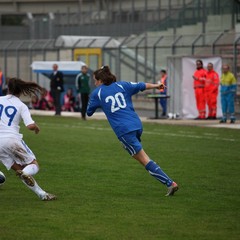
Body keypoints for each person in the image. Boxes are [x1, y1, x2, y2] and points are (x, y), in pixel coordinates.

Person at [87, 66, 178, 196]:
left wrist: (97, 103)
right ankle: (163, 176)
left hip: (123, 130)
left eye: (95, 81)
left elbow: (89, 112)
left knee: (143, 159)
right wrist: (157, 86)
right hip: (136, 125)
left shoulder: (97, 93)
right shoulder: (123, 85)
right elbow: (142, 85)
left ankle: (170, 184)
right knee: (137, 154)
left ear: (101, 80)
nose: (95, 83)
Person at [0, 78, 56, 201]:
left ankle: (42, 194)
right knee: (33, 165)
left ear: (7, 88)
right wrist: (36, 127)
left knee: (19, 170)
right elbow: (30, 125)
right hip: (11, 140)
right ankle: (26, 174)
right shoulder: (21, 105)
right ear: (20, 91)